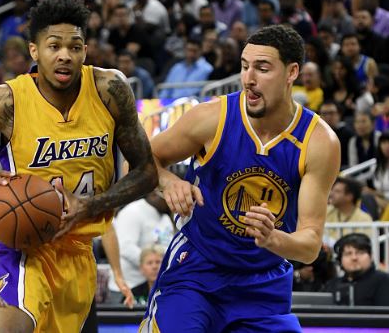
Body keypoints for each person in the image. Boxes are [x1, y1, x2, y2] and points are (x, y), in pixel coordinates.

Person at [0, 0, 157, 333]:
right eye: (54, 46)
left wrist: (93, 206)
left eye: (75, 47)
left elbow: (147, 173)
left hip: (78, 246)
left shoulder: (109, 90)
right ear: (34, 51)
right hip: (20, 244)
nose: (65, 56)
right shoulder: (4, 101)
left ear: (85, 50)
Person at [140, 25, 340, 332]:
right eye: (245, 67)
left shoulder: (319, 142)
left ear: (292, 72)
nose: (249, 78)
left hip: (263, 282)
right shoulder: (212, 117)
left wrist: (273, 238)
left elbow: (311, 244)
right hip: (197, 268)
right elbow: (141, 160)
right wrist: (169, 181)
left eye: (262, 68)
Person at [322, 233, 389, 306]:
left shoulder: (384, 281)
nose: (354, 258)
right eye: (348, 254)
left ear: (371, 256)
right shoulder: (332, 285)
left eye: (360, 253)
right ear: (340, 259)